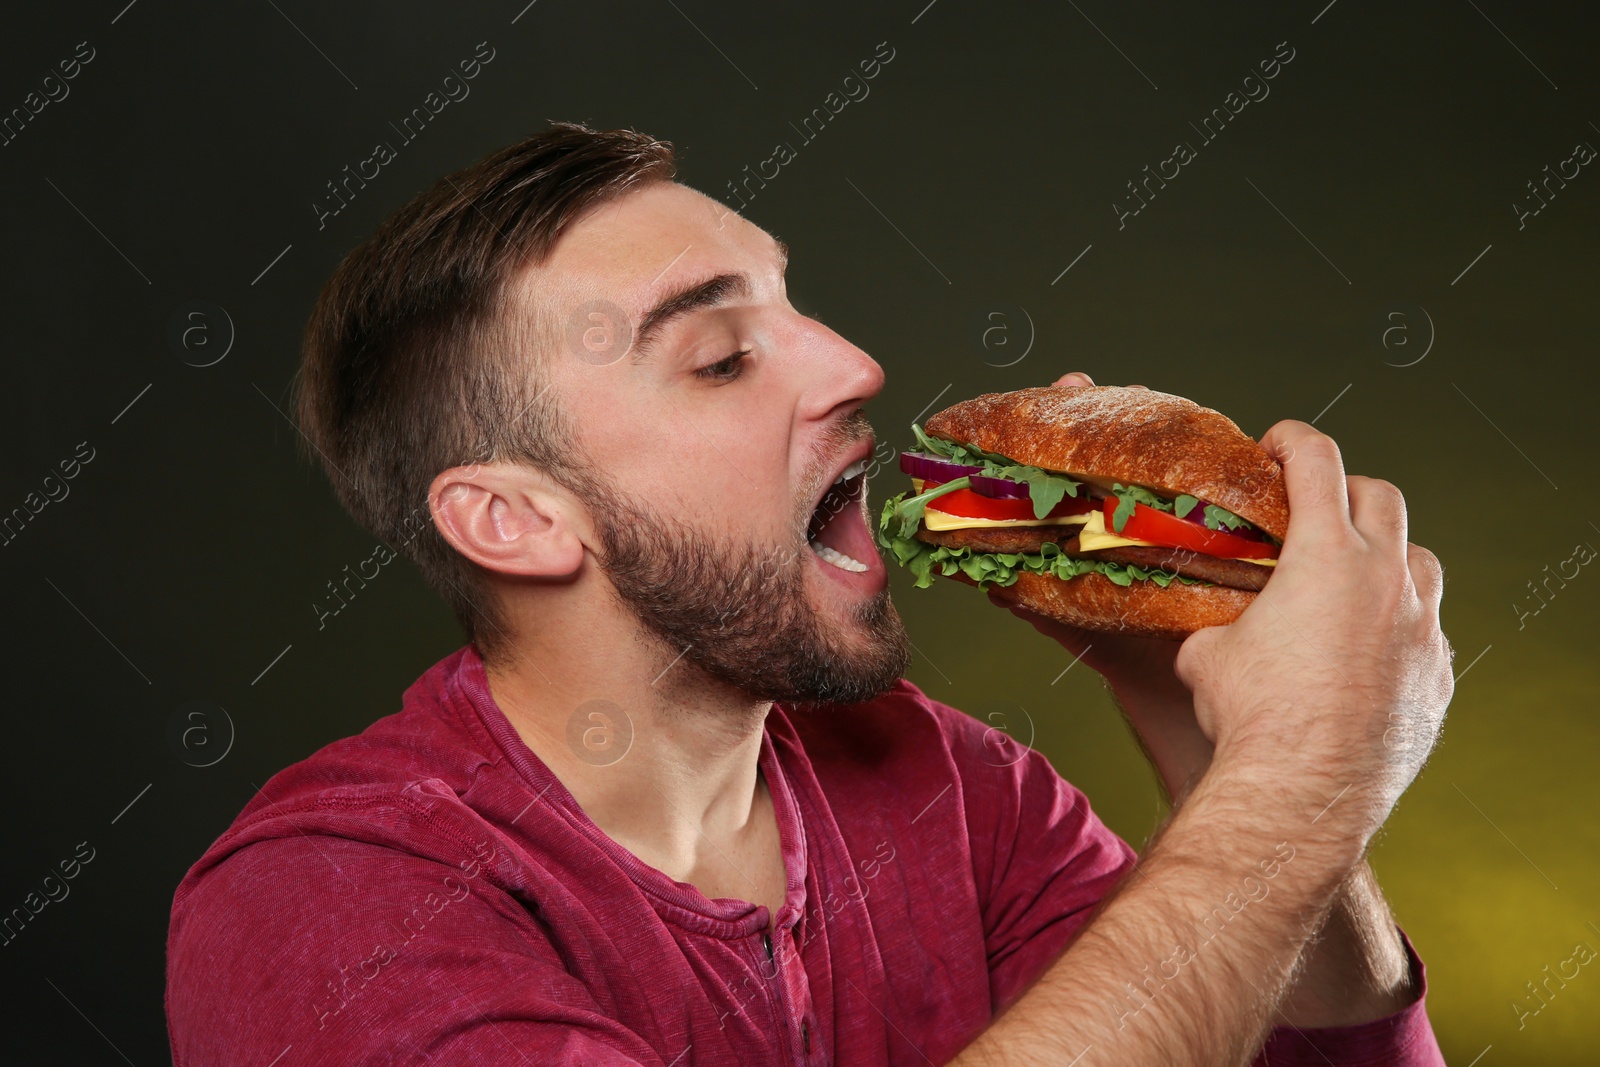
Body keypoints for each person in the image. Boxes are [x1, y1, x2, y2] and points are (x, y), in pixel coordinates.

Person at [165, 122, 1454, 1065]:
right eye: (723, 358)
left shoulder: (953, 790)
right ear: (516, 518)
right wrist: (1298, 779)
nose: (855, 365)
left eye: (799, 308)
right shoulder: (322, 906)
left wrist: (1192, 716)